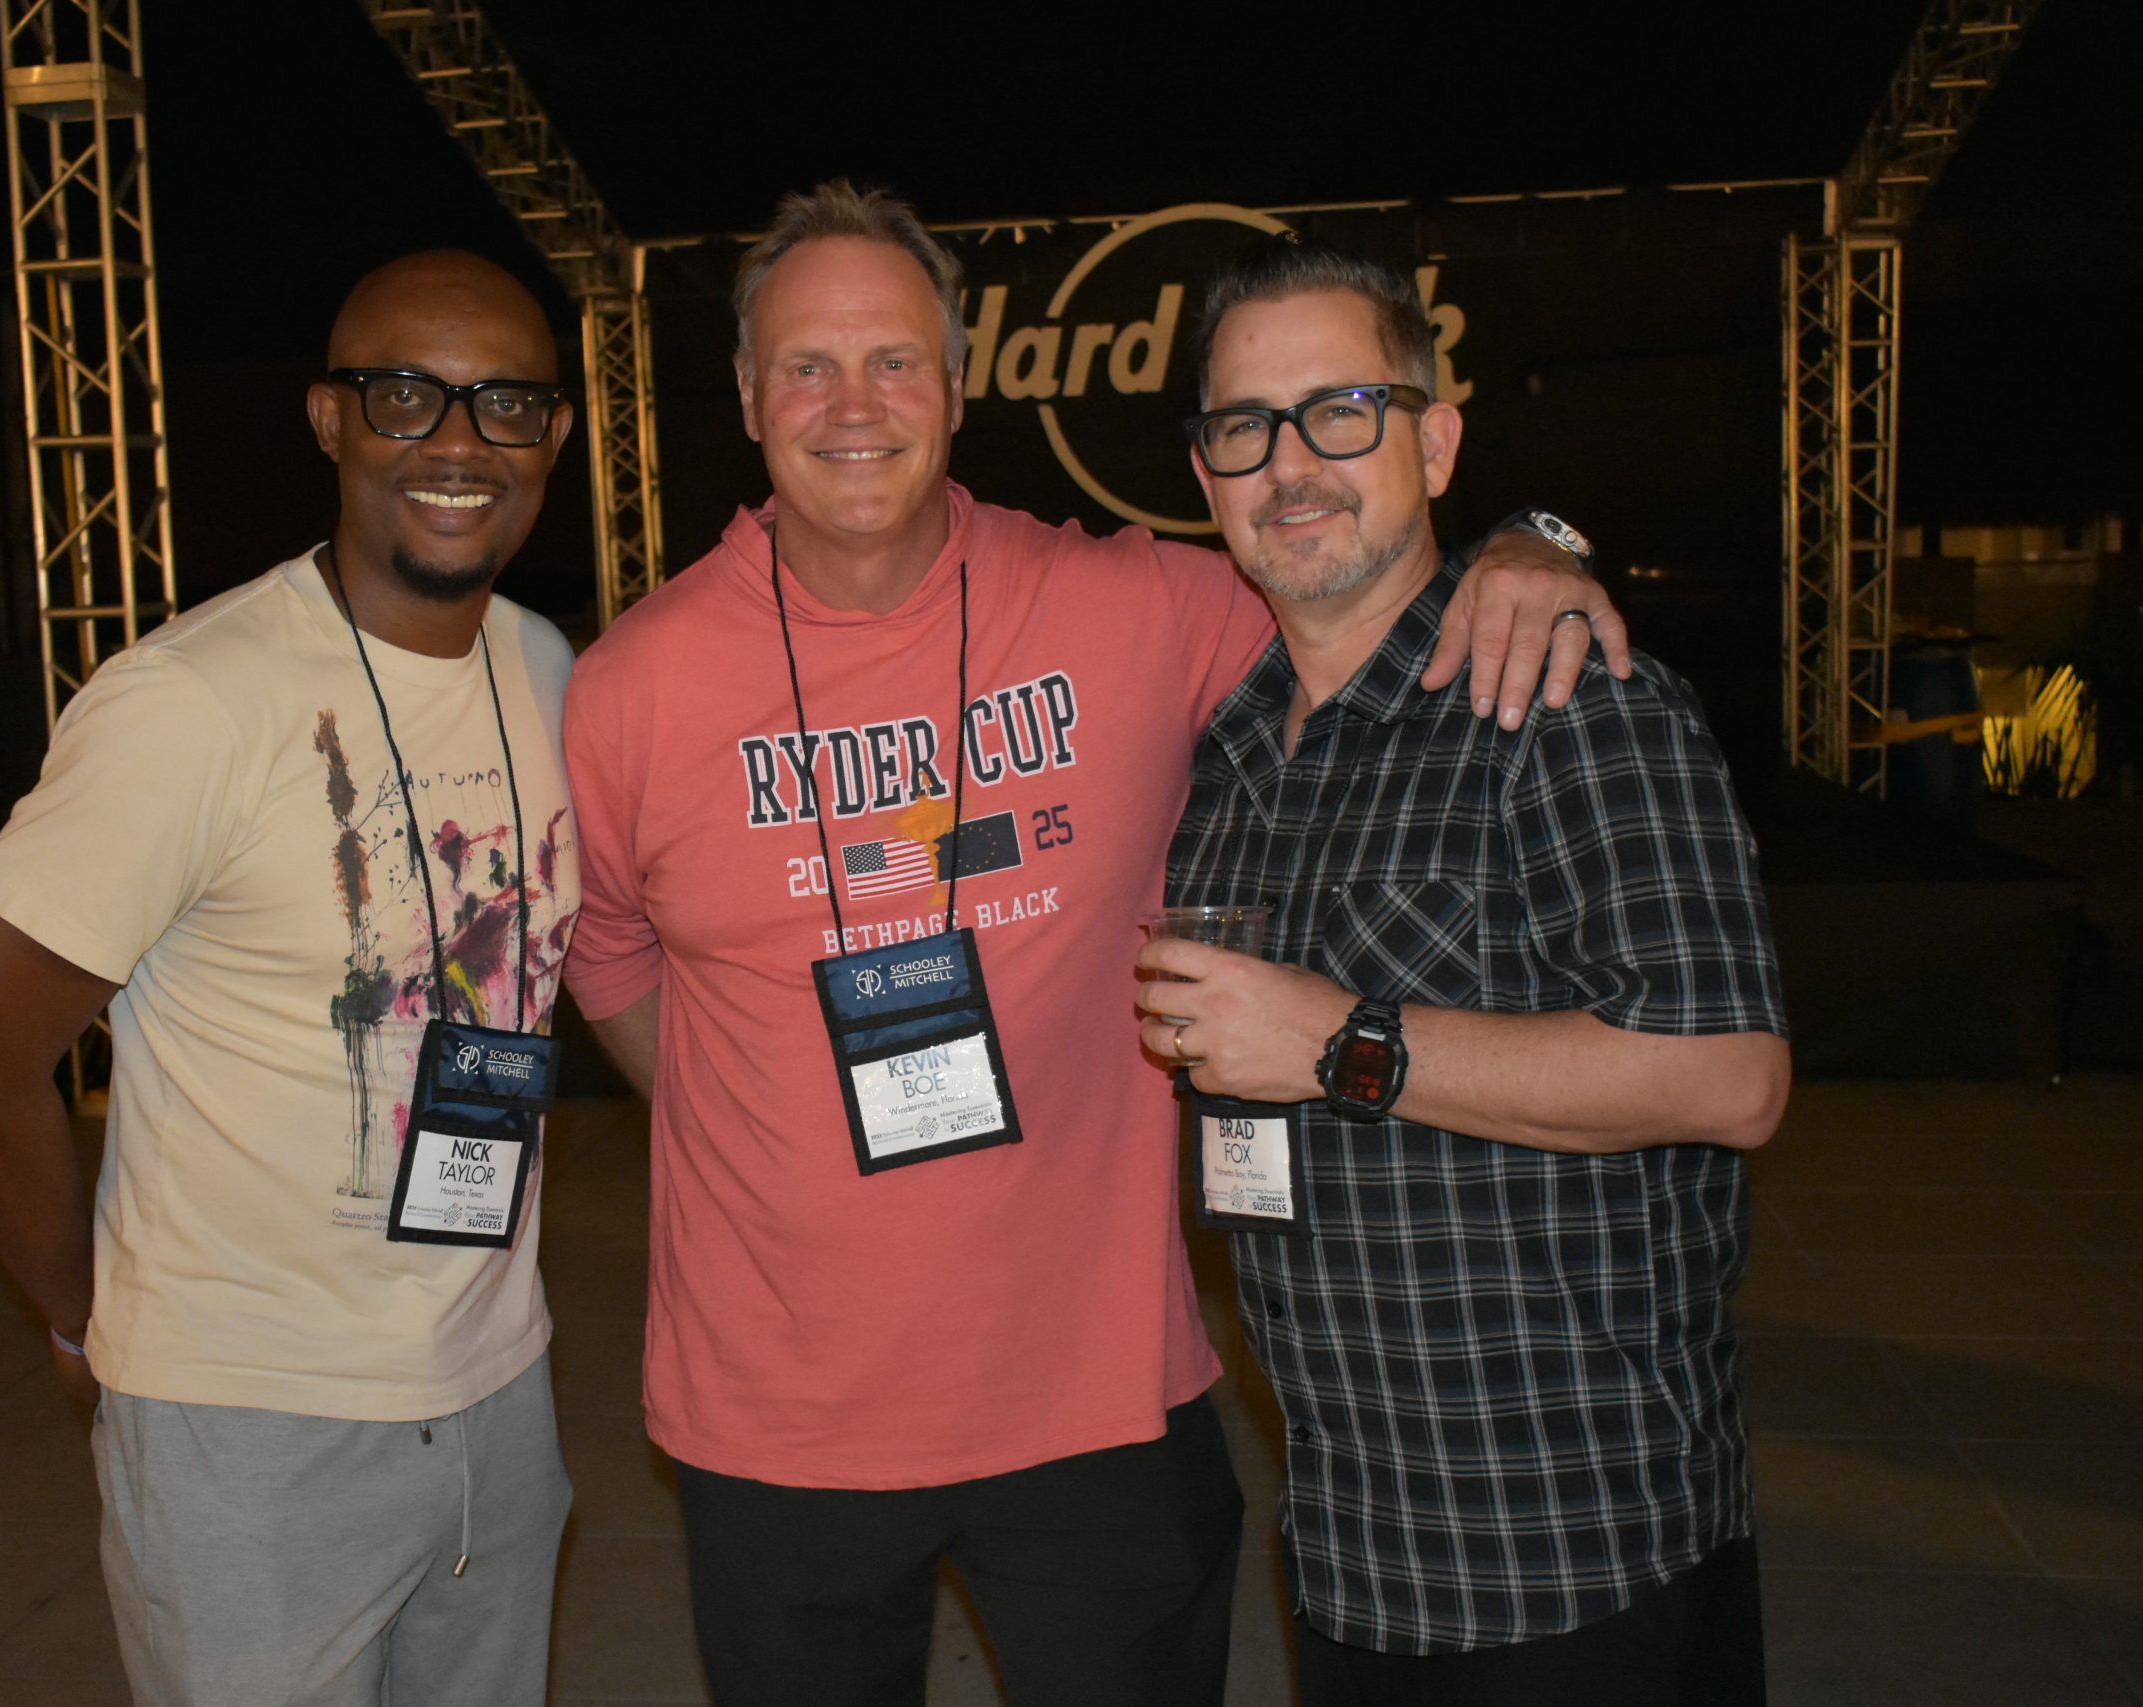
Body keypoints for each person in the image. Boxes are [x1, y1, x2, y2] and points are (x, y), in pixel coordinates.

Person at [559, 180, 1627, 1707]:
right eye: (808, 365)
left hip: (1095, 1403)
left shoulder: (1136, 608)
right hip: (778, 1420)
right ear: (744, 395)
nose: (853, 405)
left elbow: (1369, 587)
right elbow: (608, 952)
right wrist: (758, 1141)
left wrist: (1535, 538)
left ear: (958, 384)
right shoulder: (634, 685)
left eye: (895, 361)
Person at [0, 250, 582, 1707]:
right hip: (251, 1418)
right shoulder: (192, 701)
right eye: (406, 396)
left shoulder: (545, 668)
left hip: (495, 1394)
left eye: (507, 403)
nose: (459, 442)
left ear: (556, 438)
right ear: (330, 420)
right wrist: (84, 1320)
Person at [1143, 235, 1791, 1706]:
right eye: (1245, 427)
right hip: (1353, 1548)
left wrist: (1338, 1044)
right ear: (1205, 474)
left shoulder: (1569, 698)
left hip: (1580, 1554)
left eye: (1340, 412)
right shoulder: (1230, 758)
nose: (1290, 464)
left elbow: (1730, 1075)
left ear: (1433, 444)